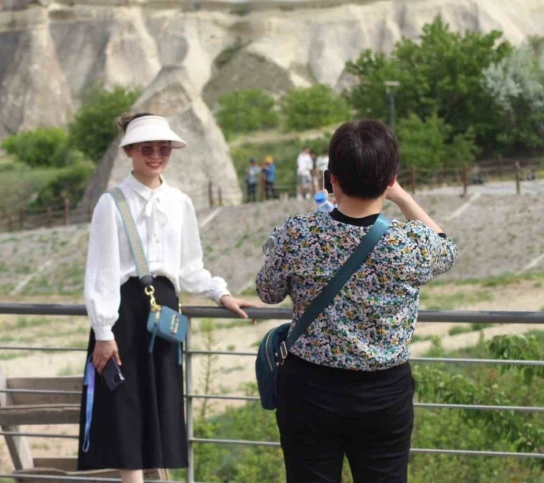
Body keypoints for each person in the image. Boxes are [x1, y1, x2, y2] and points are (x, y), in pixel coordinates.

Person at [257, 119, 457, 483]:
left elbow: (267, 292)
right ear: (388, 179)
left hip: (309, 389)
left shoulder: (297, 233)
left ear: (330, 179)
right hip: (383, 394)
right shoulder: (408, 244)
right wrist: (401, 195)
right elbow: (445, 248)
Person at [80, 113, 256, 483]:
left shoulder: (180, 202)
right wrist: (103, 330)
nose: (156, 155)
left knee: (162, 401)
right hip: (123, 314)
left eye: (163, 149)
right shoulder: (110, 204)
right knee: (125, 404)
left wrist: (221, 294)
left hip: (164, 313)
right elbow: (101, 271)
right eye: (147, 148)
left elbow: (190, 266)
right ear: (129, 151)